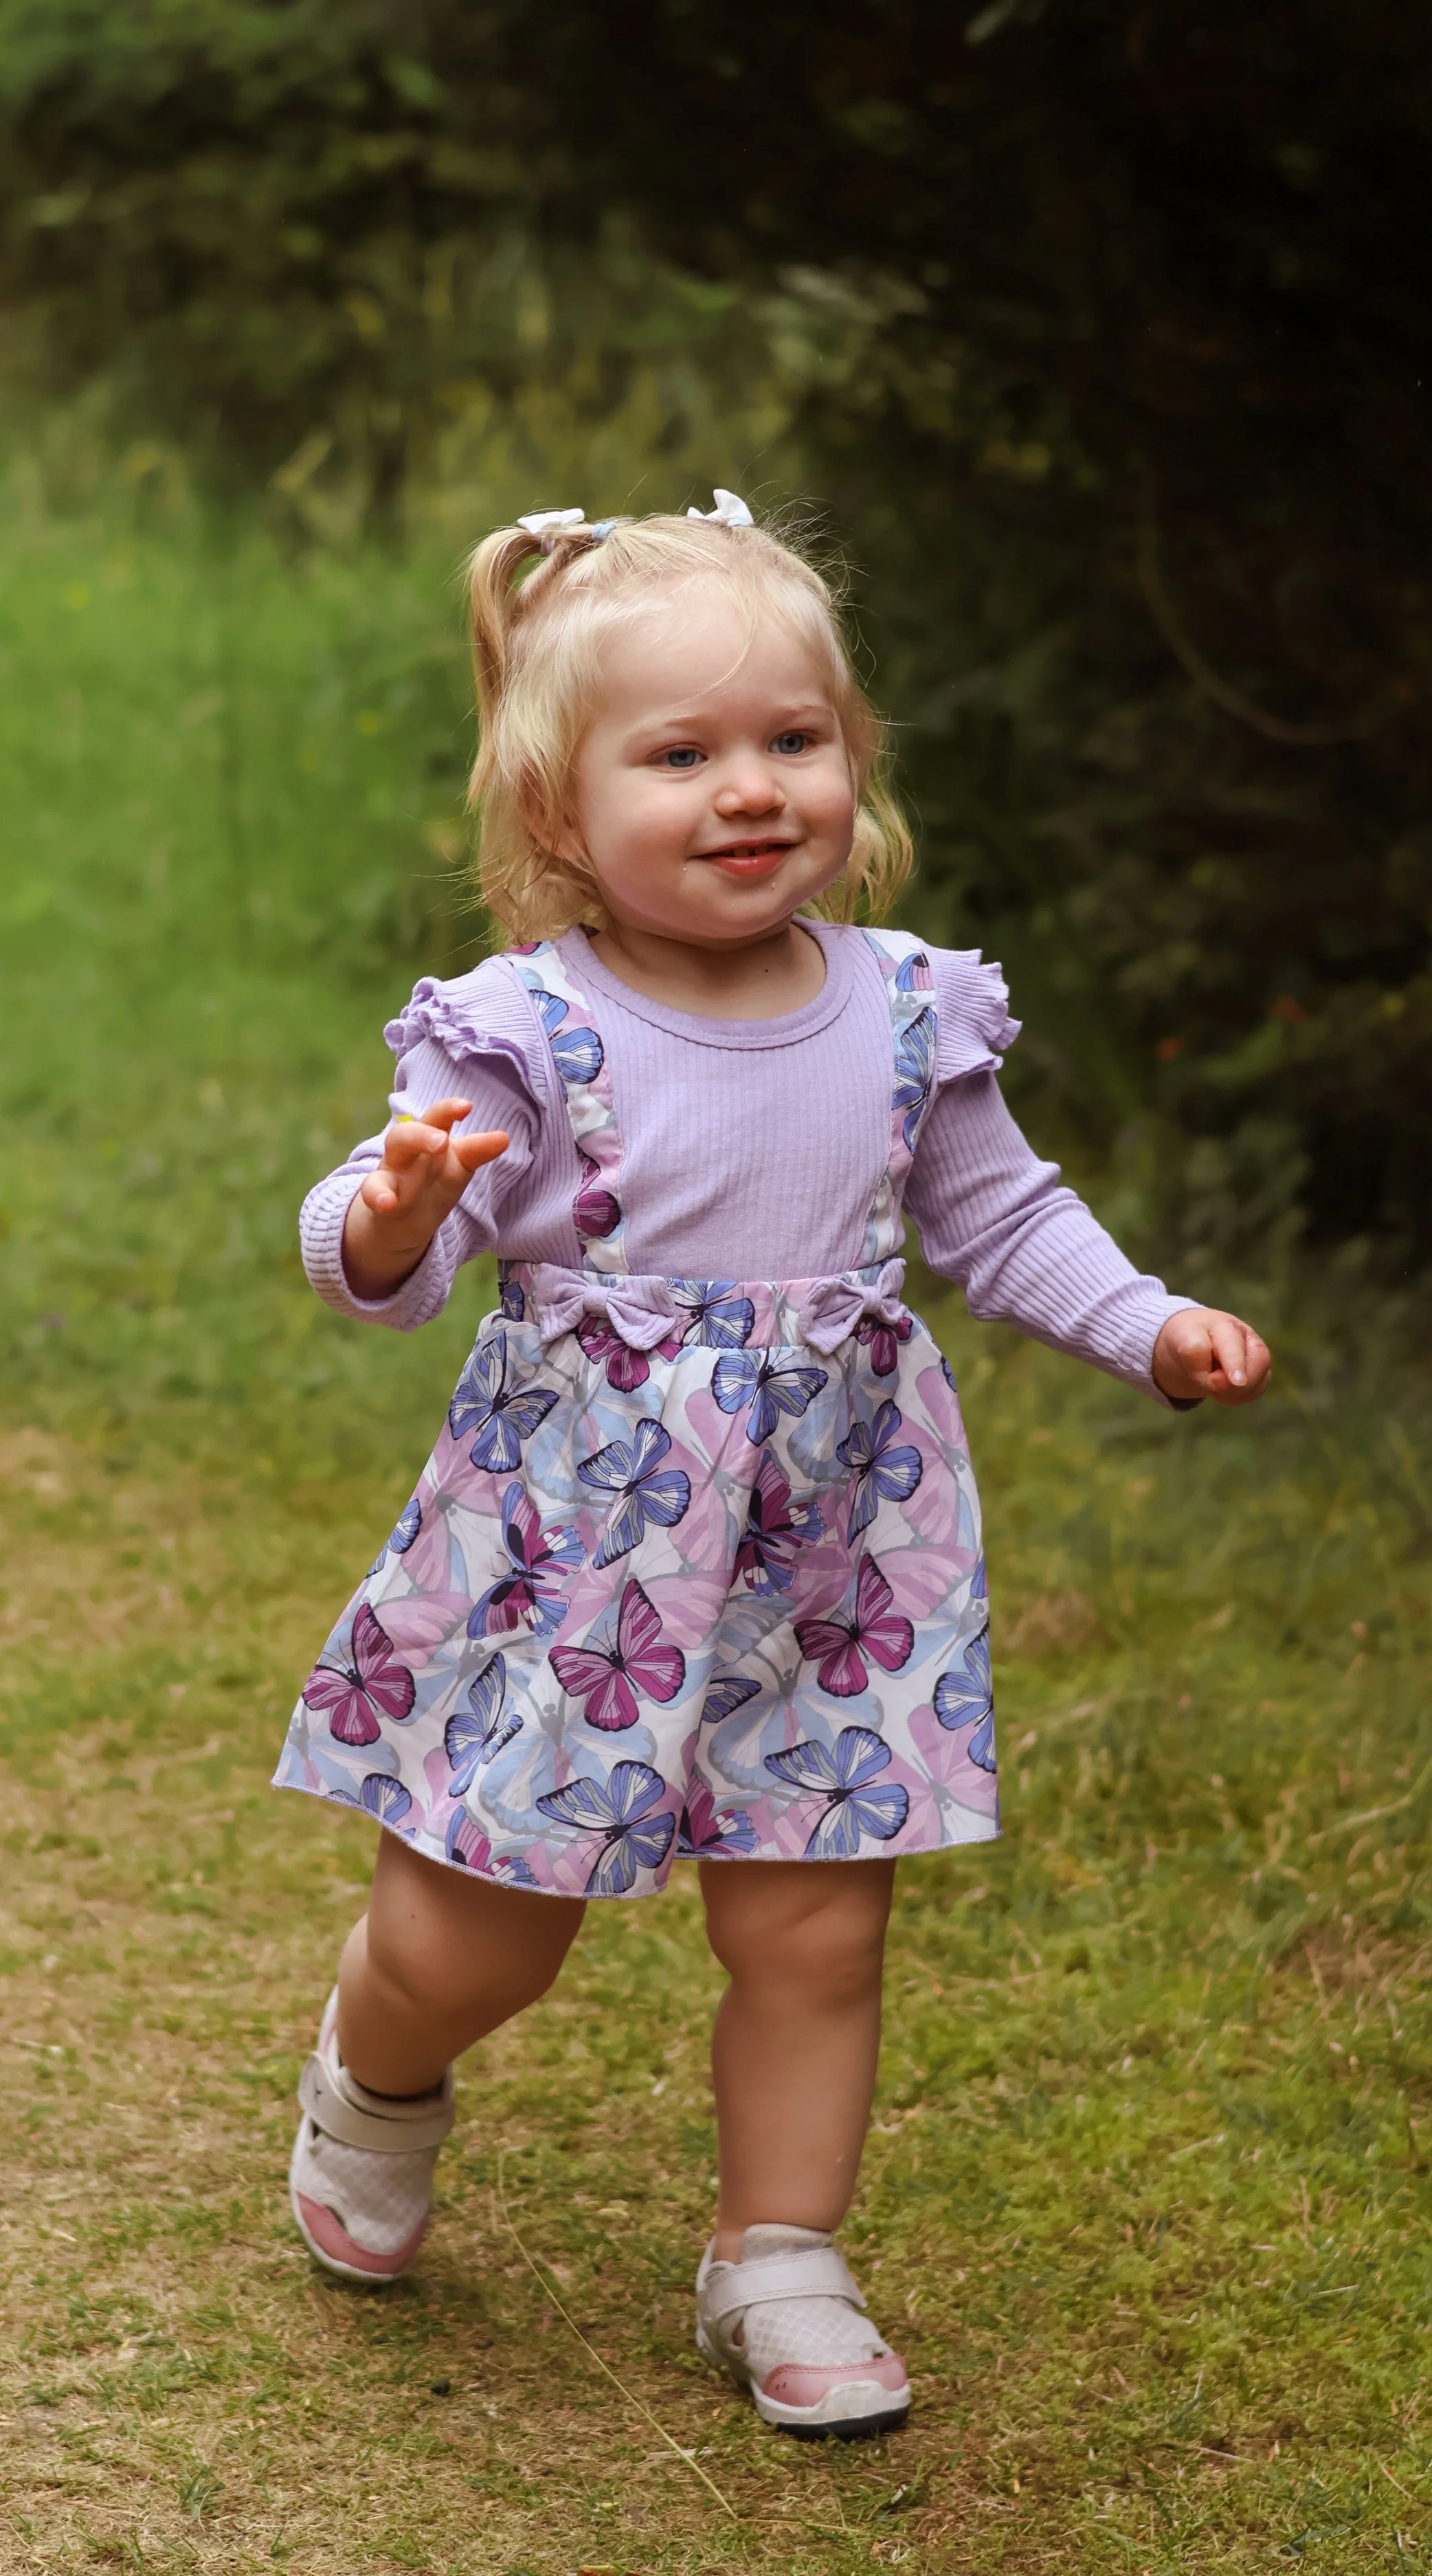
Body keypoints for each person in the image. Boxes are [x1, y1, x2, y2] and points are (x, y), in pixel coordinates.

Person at [273, 493, 1271, 2439]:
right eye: (680, 755)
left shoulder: (902, 1006)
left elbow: (1002, 1217)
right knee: (480, 1930)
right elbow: (373, 1245)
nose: (748, 788)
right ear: (559, 808)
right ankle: (378, 2074)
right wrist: (388, 1211)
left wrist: (1145, 1320)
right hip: (586, 1560)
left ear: (852, 759)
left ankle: (779, 2248)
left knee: (817, 1924)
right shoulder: (526, 1027)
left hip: (836, 1548)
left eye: (791, 740)